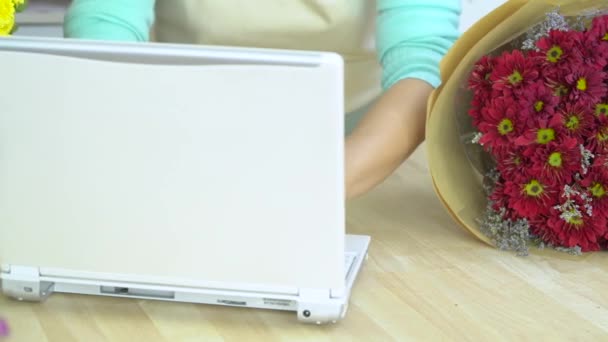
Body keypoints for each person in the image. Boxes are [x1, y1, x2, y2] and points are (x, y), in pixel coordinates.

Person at [63, 0, 461, 199]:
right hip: (178, 132)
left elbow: (421, 63)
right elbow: (105, 27)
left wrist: (312, 188)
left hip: (357, 139)